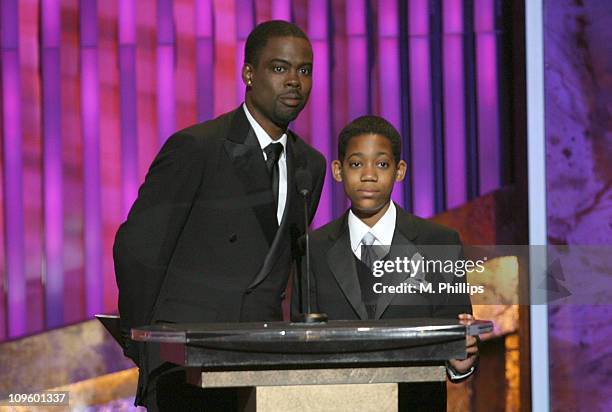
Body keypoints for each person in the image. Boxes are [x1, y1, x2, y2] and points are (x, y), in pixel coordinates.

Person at [113, 20, 326, 410]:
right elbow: (137, 249)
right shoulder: (197, 147)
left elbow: (283, 265)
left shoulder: (309, 165)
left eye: (304, 70)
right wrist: (144, 344)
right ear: (248, 73)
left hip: (262, 361)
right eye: (279, 68)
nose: (294, 80)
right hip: (187, 361)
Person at [292, 115, 478, 411]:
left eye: (381, 164)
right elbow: (303, 346)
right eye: (356, 164)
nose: (368, 175)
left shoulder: (437, 243)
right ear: (338, 171)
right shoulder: (311, 249)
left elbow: (457, 340)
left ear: (399, 171)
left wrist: (459, 363)